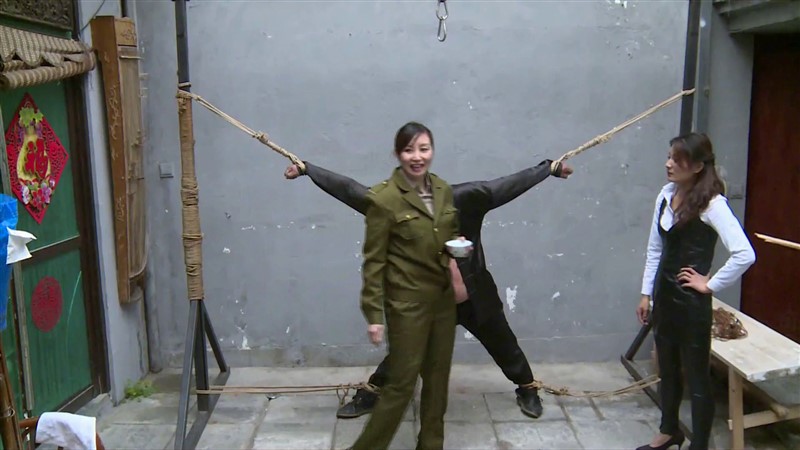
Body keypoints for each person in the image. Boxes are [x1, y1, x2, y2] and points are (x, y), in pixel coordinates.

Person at [284, 151, 573, 420]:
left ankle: (527, 387)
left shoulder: (469, 197)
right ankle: (373, 392)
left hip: (474, 297)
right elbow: (349, 190)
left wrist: (549, 169)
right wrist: (308, 169)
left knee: (503, 344)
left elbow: (510, 184)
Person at [635, 133, 755, 450]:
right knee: (668, 370)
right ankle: (669, 431)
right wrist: (646, 294)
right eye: (669, 156)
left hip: (691, 303)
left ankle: (699, 445)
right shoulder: (666, 195)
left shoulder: (712, 204)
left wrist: (710, 284)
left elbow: (745, 253)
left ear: (699, 166)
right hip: (664, 296)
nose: (668, 164)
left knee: (697, 377)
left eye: (678, 159)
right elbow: (655, 249)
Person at [347, 121, 462, 450]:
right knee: (401, 383)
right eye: (409, 150)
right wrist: (374, 315)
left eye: (424, 149)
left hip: (442, 301)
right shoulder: (384, 199)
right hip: (407, 305)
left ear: (432, 151)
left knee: (438, 381)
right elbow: (374, 262)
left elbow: (448, 234)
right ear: (398, 154)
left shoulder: (442, 189)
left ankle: (431, 445)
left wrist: (457, 252)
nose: (417, 157)